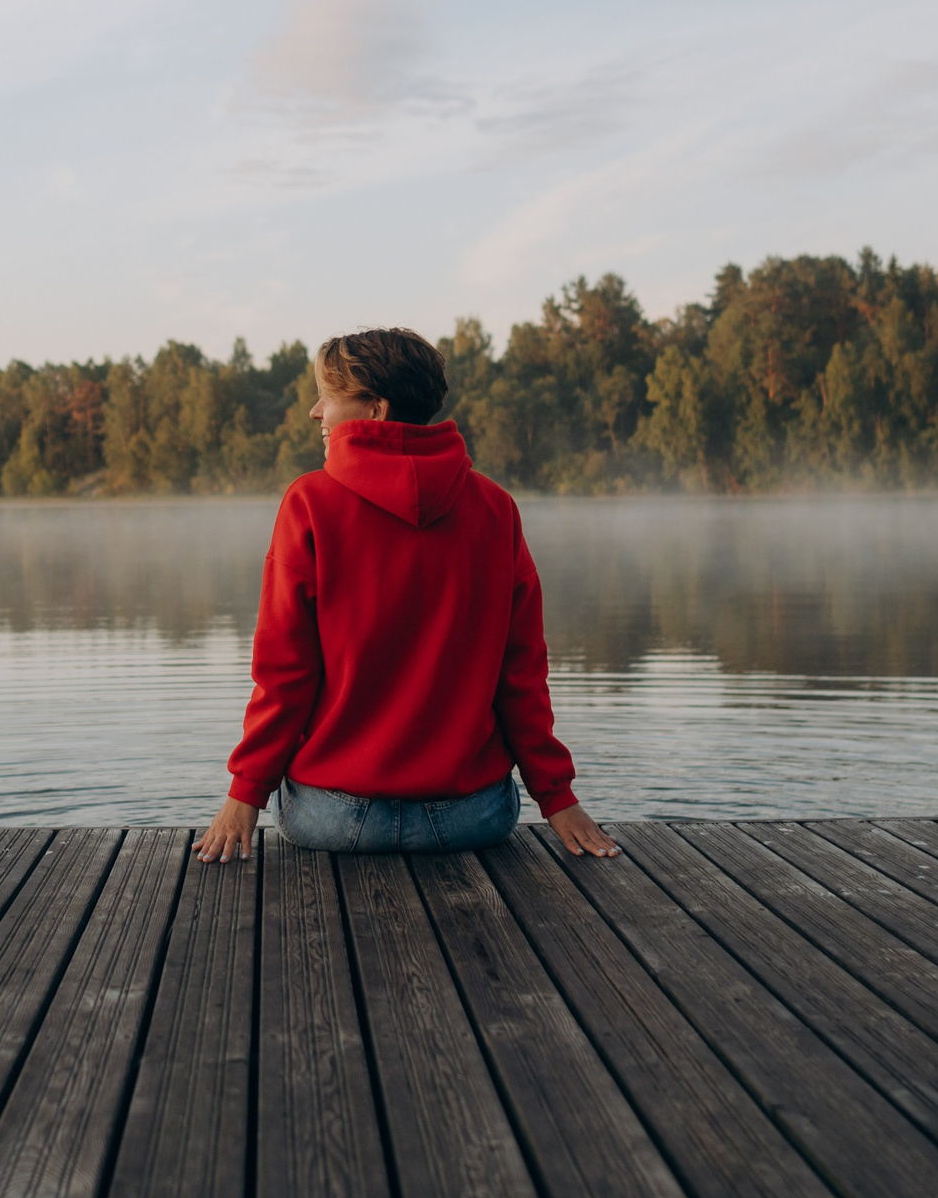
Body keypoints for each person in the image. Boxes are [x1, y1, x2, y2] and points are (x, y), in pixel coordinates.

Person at [194, 327, 620, 862]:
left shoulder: (309, 504)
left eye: (328, 395)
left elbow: (285, 673)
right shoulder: (494, 507)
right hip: (471, 817)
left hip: (334, 819)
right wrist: (557, 797)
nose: (314, 411)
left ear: (375, 408)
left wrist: (245, 794)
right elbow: (521, 674)